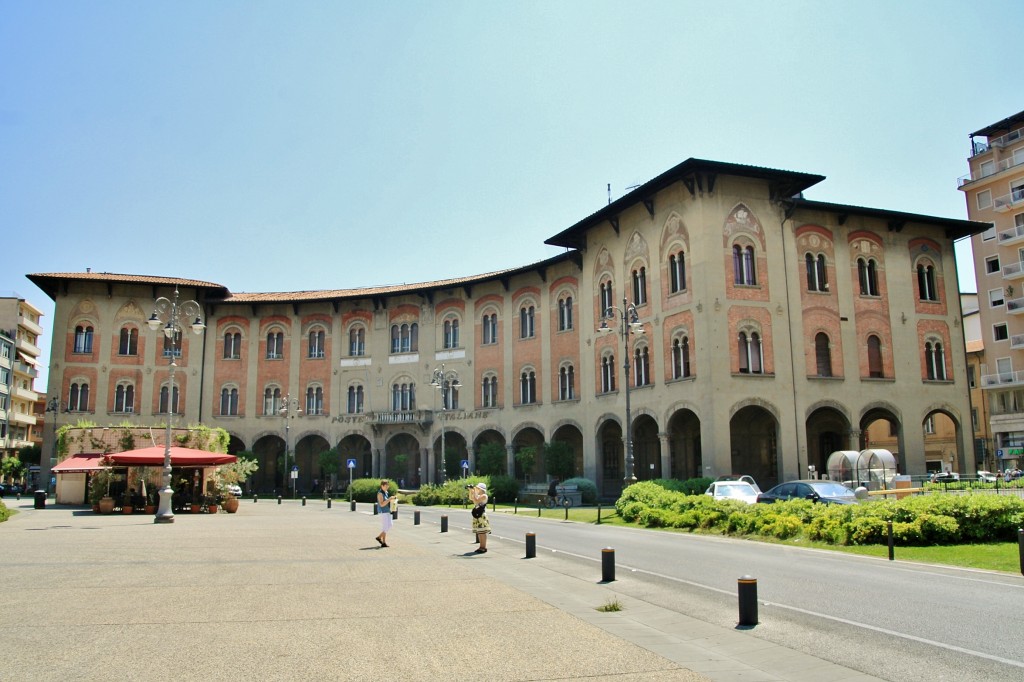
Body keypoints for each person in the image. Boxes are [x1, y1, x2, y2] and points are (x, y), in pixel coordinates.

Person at [467, 482, 490, 554]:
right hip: (477, 514)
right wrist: (471, 491)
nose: (476, 489)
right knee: (479, 532)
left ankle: (483, 547)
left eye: (478, 488)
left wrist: (474, 491)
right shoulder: (478, 495)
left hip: (482, 515)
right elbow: (471, 498)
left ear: (481, 489)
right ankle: (481, 547)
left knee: (482, 532)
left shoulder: (484, 496)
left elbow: (476, 500)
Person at [375, 480, 393, 548]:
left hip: (387, 511)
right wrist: (389, 499)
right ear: (382, 486)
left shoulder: (386, 492)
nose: (387, 487)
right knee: (385, 527)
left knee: (390, 525)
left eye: (388, 485)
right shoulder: (380, 493)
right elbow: (382, 504)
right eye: (386, 486)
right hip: (383, 512)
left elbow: (387, 502)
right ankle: (383, 542)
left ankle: (380, 538)